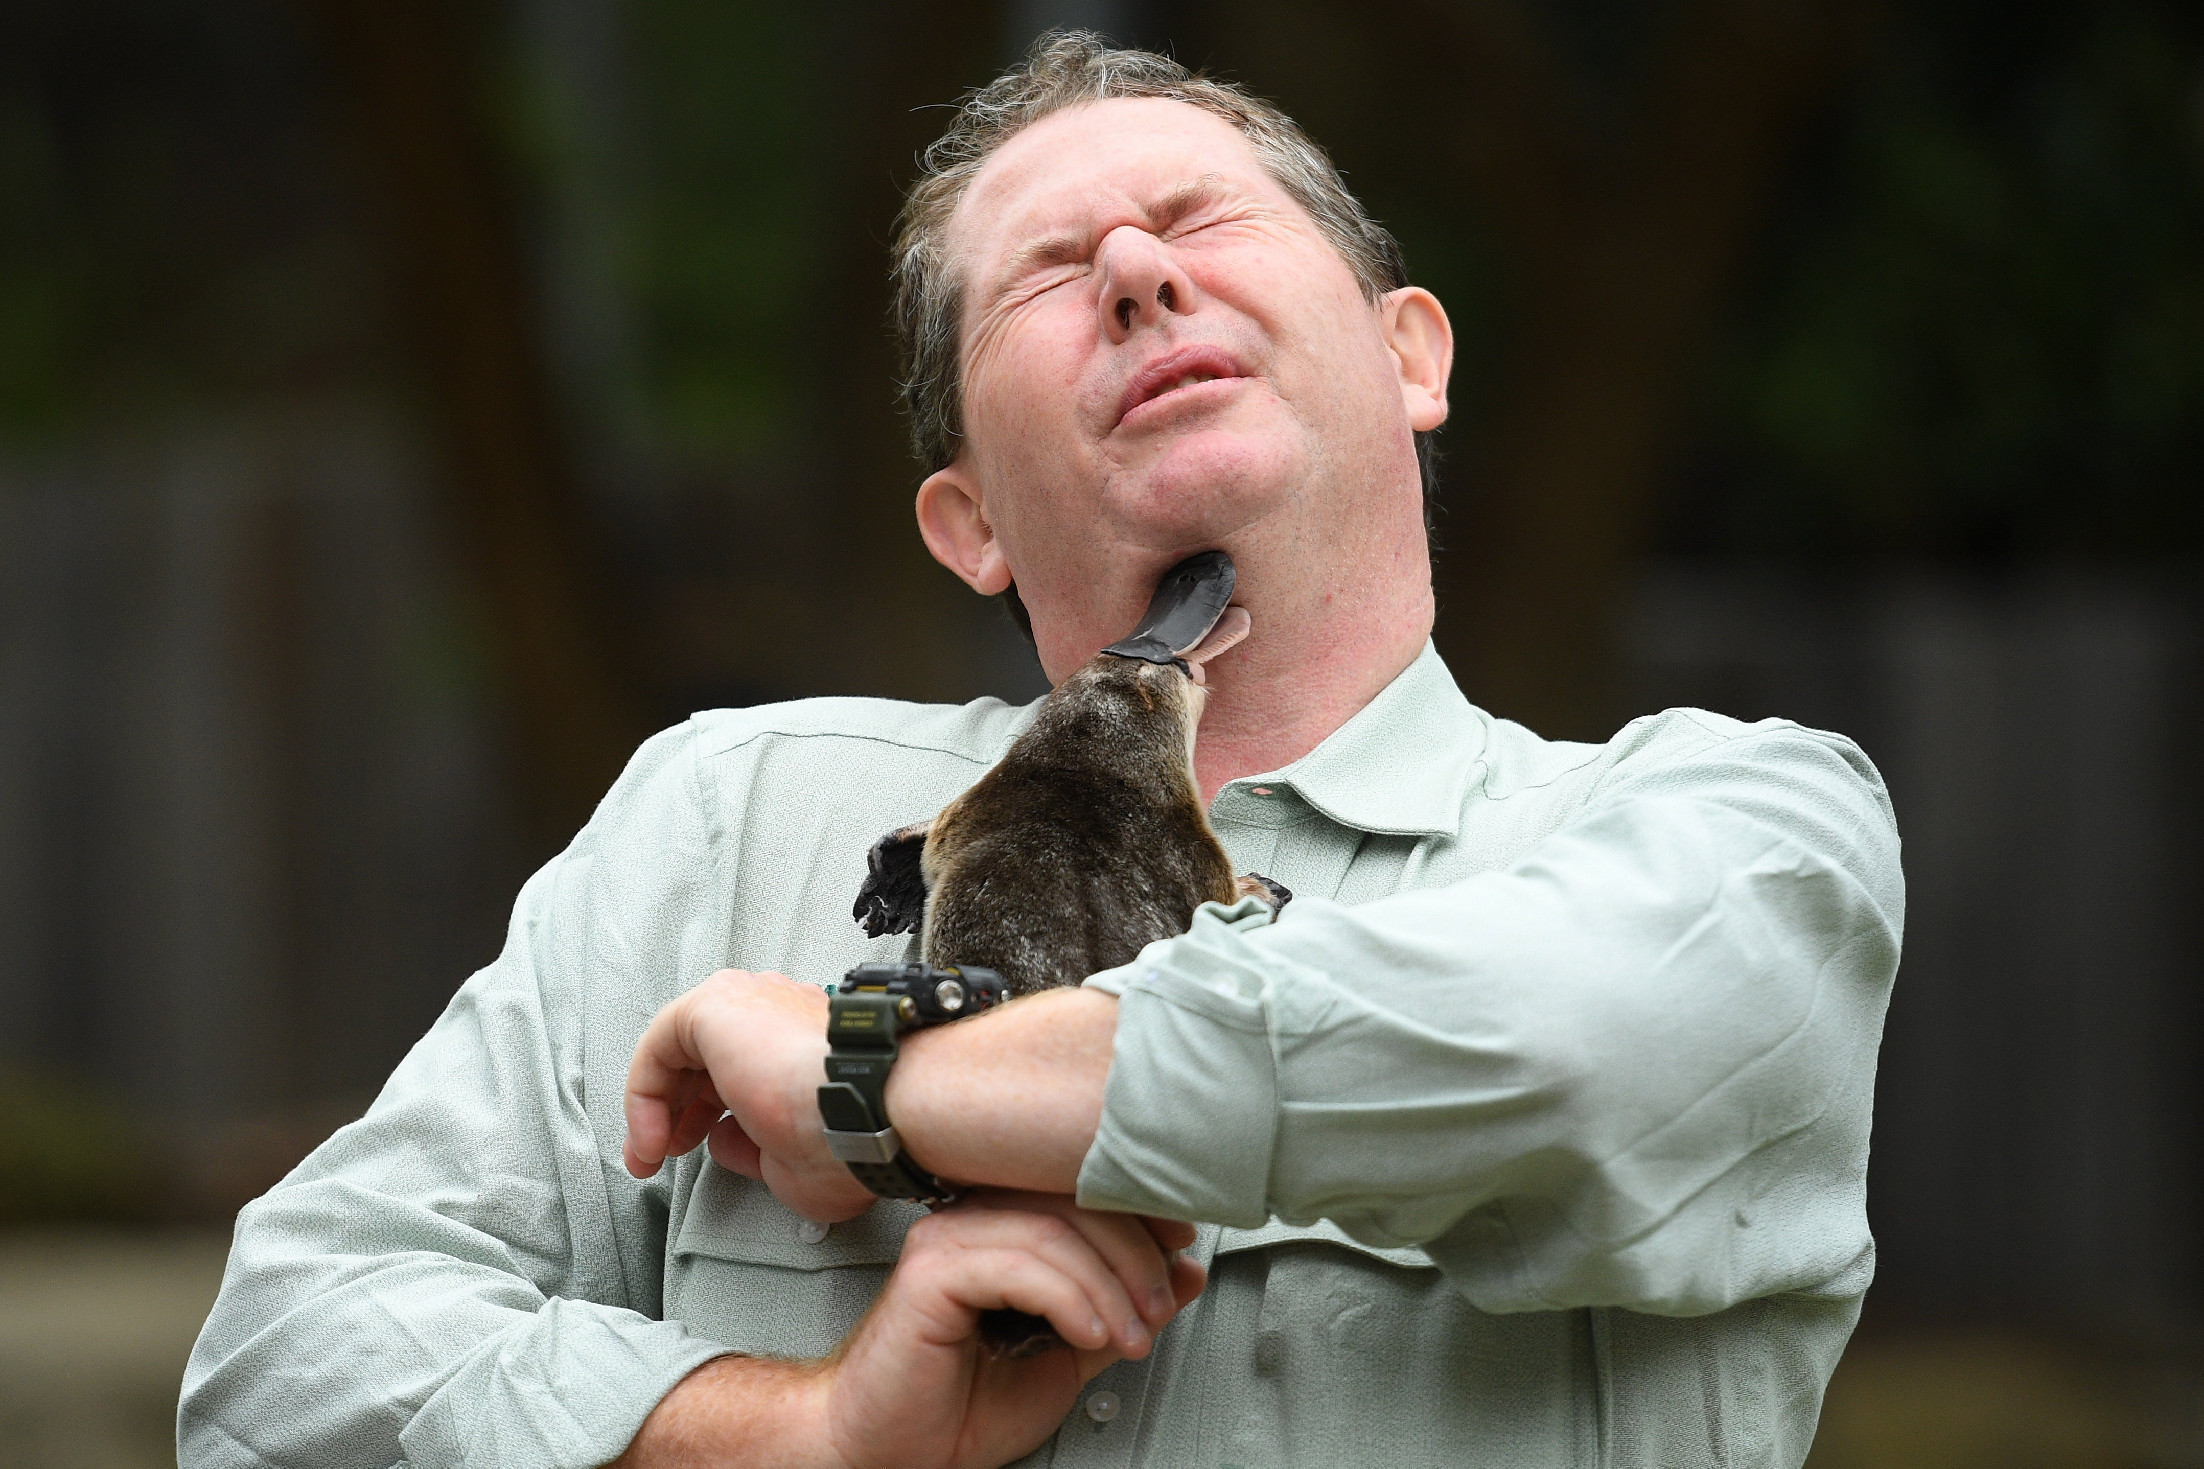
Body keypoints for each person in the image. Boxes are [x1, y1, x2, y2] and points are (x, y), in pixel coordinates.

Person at [180, 33, 1902, 1469]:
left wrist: (874, 1082)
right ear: (969, 523)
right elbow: (283, 1365)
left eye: (1194, 219)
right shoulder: (725, 822)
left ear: (1412, 355)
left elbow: (1568, 1051)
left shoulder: (1738, 830)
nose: (1143, 275)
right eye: (1052, 280)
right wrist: (810, 1431)